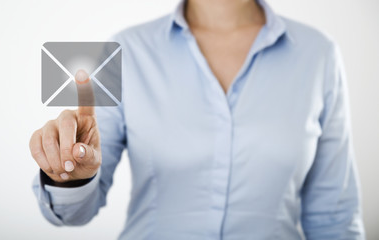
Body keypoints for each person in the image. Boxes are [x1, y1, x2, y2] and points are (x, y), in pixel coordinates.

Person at [30, 0, 365, 239]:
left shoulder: (318, 54)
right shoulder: (127, 49)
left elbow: (334, 219)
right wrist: (70, 174)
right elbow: (75, 212)